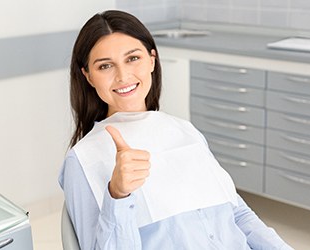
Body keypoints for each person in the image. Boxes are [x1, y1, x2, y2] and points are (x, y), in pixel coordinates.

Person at [59, 10, 293, 250]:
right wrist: (118, 195)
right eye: (105, 66)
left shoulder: (186, 131)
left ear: (152, 60)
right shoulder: (83, 160)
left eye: (133, 58)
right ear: (88, 76)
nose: (123, 76)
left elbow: (238, 213)